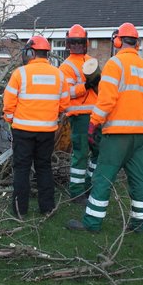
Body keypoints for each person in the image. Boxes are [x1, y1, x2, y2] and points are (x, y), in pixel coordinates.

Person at [66, 22, 143, 233]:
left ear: (118, 41)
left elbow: (107, 100)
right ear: (137, 43)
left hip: (117, 135)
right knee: (140, 180)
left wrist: (93, 123)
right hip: (142, 137)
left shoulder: (114, 65)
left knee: (102, 178)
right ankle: (139, 224)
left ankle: (92, 223)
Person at [3, 35, 70, 218]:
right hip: (47, 131)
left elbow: (8, 103)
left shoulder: (20, 73)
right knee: (44, 168)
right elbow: (64, 104)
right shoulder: (58, 75)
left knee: (22, 169)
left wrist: (10, 120)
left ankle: (19, 210)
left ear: (31, 52)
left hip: (23, 130)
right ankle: (47, 208)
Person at [58, 24, 100, 203]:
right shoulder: (66, 67)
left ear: (85, 43)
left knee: (99, 151)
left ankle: (91, 185)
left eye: (79, 42)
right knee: (81, 154)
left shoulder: (91, 62)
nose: (76, 45)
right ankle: (76, 192)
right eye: (73, 42)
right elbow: (67, 93)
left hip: (96, 115)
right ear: (68, 44)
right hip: (79, 116)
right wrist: (86, 86)